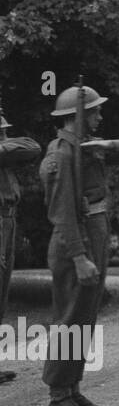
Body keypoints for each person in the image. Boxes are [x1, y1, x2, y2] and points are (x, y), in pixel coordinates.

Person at [41, 84, 119, 406]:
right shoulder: (61, 155)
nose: (100, 116)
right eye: (95, 111)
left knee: (84, 317)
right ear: (77, 116)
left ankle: (72, 387)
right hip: (76, 239)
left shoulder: (86, 148)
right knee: (70, 317)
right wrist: (79, 256)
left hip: (93, 232)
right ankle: (59, 395)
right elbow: (62, 213)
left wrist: (108, 144)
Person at [0, 108, 42, 388]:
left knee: (2, 292)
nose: (5, 136)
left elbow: (31, 146)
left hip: (8, 218)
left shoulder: (4, 152)